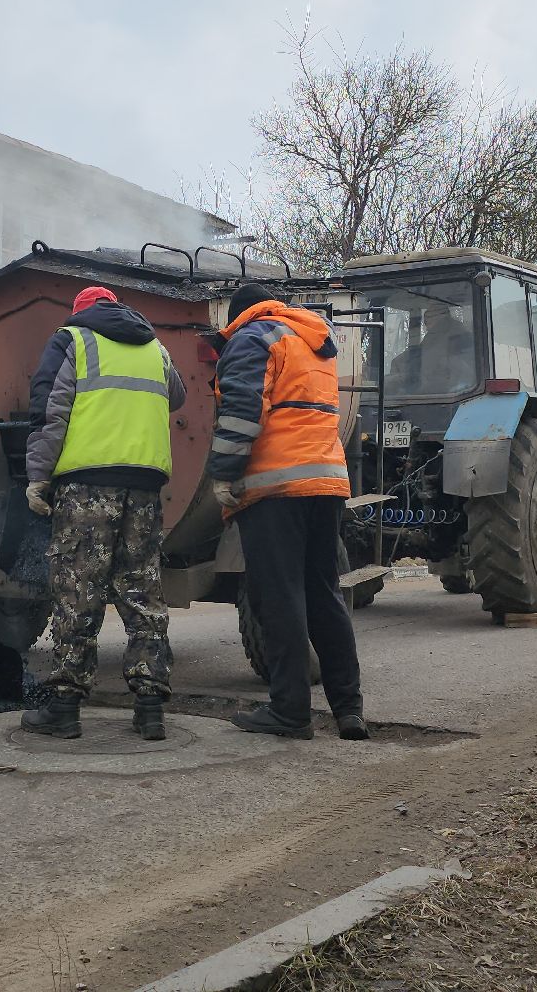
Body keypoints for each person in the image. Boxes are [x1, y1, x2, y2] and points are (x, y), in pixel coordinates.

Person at [18, 286, 186, 741]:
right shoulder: (155, 347)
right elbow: (177, 396)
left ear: (80, 313)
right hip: (145, 486)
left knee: (78, 589)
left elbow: (50, 412)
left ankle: (64, 708)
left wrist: (38, 476)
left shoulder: (71, 340)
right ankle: (150, 709)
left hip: (87, 485)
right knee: (143, 591)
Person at [209, 283, 369, 742]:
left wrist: (223, 473)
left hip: (275, 486)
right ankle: (349, 709)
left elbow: (242, 411)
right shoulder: (312, 339)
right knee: (323, 594)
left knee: (279, 597)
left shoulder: (253, 337)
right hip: (327, 481)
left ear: (238, 315)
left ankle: (290, 711)